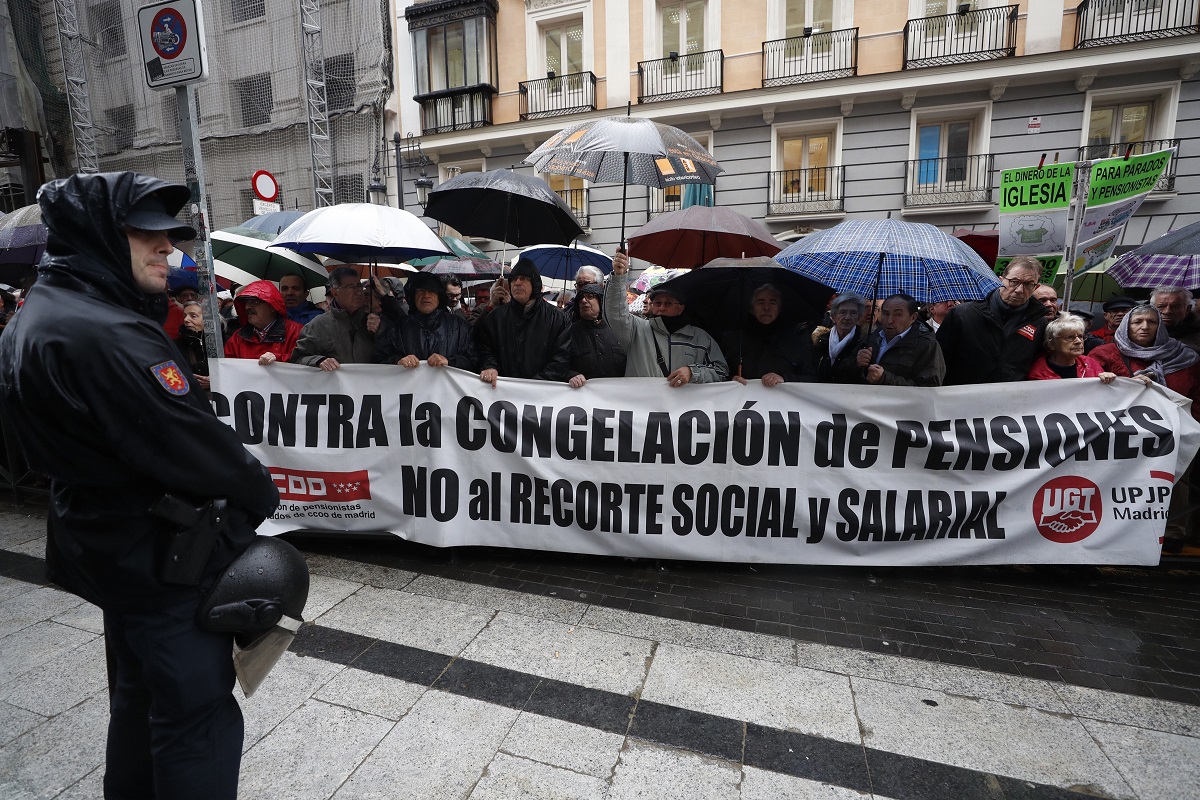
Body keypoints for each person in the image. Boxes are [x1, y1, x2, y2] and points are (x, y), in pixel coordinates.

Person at [0, 171, 280, 800]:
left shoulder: (38, 314)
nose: (169, 249)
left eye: (172, 235)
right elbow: (199, 450)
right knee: (195, 719)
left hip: (107, 548)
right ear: (99, 235)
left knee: (137, 696)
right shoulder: (108, 333)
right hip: (160, 560)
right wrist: (261, 493)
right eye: (146, 233)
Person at [1090, 304, 1200, 553]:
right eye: (1137, 321)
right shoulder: (1106, 353)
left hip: (1174, 432)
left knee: (1176, 481)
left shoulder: (1185, 357)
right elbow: (1090, 387)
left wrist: (1192, 425)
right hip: (1120, 434)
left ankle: (1172, 532)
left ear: (1160, 327)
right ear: (1126, 325)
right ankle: (1117, 529)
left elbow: (1196, 395)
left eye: (1151, 322)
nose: (1144, 326)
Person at [606, 251, 728, 385]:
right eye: (657, 303)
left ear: (680, 308)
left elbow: (721, 372)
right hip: (643, 404)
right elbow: (615, 313)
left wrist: (692, 372)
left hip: (685, 405)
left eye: (668, 303)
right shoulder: (636, 330)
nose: (662, 307)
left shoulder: (701, 338)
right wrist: (618, 277)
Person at [936, 255, 1048, 384]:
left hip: (1011, 397)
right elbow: (940, 359)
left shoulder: (1039, 322)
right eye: (1014, 281)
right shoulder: (963, 314)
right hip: (963, 395)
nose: (1019, 290)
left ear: (1036, 287)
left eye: (1028, 284)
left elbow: (1037, 365)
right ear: (1000, 280)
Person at [475, 259, 570, 386]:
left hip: (541, 395)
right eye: (514, 279)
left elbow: (562, 358)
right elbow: (485, 349)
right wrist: (490, 367)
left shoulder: (558, 318)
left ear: (535, 284)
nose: (518, 283)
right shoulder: (496, 317)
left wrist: (533, 385)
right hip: (502, 395)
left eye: (524, 278)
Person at [375, 271, 477, 370]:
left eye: (431, 291)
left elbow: (474, 360)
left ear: (439, 296)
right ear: (413, 296)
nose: (426, 295)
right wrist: (397, 361)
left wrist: (449, 362)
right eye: (421, 291)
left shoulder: (459, 327)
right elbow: (379, 358)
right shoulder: (398, 328)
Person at [720, 283, 817, 387]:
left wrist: (784, 378)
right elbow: (720, 373)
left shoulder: (795, 341)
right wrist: (731, 379)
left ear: (779, 309)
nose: (766, 307)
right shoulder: (733, 340)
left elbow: (812, 378)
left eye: (772, 303)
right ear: (752, 309)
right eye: (760, 302)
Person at [291, 266, 383, 370]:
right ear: (335, 292)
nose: (358, 291)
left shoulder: (374, 320)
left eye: (359, 285)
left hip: (370, 383)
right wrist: (318, 361)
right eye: (351, 286)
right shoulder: (318, 325)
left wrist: (380, 330)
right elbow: (298, 359)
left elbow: (390, 355)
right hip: (335, 385)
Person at [846, 293, 945, 386]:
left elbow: (929, 388)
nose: (890, 320)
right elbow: (842, 372)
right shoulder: (873, 336)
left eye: (898, 315)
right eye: (885, 314)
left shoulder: (927, 345)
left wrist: (885, 378)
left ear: (913, 317)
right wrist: (856, 363)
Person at [558, 282, 627, 387]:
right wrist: (571, 375)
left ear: (601, 301)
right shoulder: (569, 332)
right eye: (581, 298)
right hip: (583, 398)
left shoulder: (618, 330)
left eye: (590, 297)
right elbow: (559, 363)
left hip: (618, 396)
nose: (584, 301)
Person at [224, 279, 303, 363]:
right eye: (246, 303)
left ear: (272, 306)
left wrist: (278, 358)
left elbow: (305, 361)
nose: (247, 307)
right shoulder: (237, 338)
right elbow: (228, 367)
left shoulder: (297, 333)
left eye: (254, 302)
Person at [1026, 313, 1116, 382]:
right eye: (1070, 337)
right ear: (1052, 343)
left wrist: (1106, 378)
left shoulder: (1090, 364)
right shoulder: (1037, 374)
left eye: (1080, 336)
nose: (1078, 341)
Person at [814, 293, 867, 382]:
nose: (847, 317)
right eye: (843, 312)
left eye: (853, 313)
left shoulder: (864, 342)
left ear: (859, 317)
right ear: (833, 316)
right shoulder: (820, 340)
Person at [1151, 286, 1200, 352]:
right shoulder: (1142, 329)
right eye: (1161, 306)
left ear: (1187, 309)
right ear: (1152, 309)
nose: (1167, 311)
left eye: (1176, 307)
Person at [177, 299, 210, 390]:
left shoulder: (224, 341)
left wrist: (215, 381)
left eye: (193, 316)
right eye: (185, 316)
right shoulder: (177, 344)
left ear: (208, 318)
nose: (186, 320)